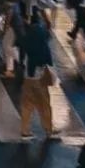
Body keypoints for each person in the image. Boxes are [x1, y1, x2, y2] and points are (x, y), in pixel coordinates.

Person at [19, 12, 57, 140]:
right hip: (39, 76)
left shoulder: (26, 36)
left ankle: (25, 130)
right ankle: (48, 130)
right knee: (44, 105)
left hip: (27, 76)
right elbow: (48, 39)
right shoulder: (41, 34)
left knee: (27, 104)